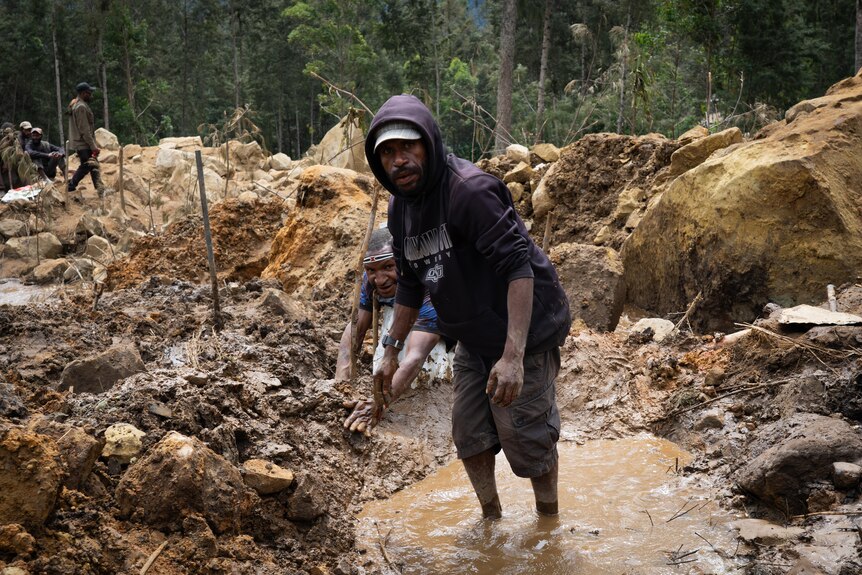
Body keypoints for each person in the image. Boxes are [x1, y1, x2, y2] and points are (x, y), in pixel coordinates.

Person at [364, 95, 571, 519]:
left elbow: (518, 269)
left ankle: (548, 525)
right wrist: (389, 352)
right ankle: (491, 521)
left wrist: (512, 356)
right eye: (387, 152)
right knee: (470, 434)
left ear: (430, 144)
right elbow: (408, 282)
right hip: (473, 335)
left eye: (408, 147)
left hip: (524, 330)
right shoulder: (400, 208)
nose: (398, 160)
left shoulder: (469, 192)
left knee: (526, 436)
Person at [337, 227, 449, 435]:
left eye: (388, 267)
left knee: (429, 380)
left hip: (440, 332)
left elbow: (415, 357)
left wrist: (378, 403)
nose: (379, 280)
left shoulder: (427, 285)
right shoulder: (371, 278)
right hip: (399, 318)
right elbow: (355, 330)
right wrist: (340, 386)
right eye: (372, 271)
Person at [67, 82, 103, 196]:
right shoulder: (81, 106)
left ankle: (100, 189)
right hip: (83, 142)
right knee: (88, 165)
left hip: (81, 141)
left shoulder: (75, 103)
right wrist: (93, 146)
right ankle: (71, 185)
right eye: (89, 93)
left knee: (93, 165)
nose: (91, 95)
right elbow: (84, 130)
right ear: (83, 93)